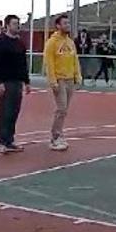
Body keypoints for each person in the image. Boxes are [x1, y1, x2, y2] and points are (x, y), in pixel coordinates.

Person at [0, 14, 32, 155]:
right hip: (6, 82)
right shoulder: (1, 42)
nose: (17, 26)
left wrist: (26, 82)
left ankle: (9, 140)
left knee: (14, 112)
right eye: (14, 23)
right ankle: (0, 142)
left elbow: (23, 65)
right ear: (7, 25)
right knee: (5, 112)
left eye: (18, 23)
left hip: (17, 82)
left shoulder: (20, 43)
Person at [44, 13, 82, 151]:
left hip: (70, 79)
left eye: (68, 23)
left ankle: (59, 134)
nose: (67, 26)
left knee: (64, 110)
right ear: (58, 26)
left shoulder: (70, 42)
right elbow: (49, 62)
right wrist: (53, 81)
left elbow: (75, 60)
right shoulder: (52, 42)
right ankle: (55, 137)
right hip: (59, 80)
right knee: (61, 109)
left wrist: (78, 76)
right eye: (65, 23)